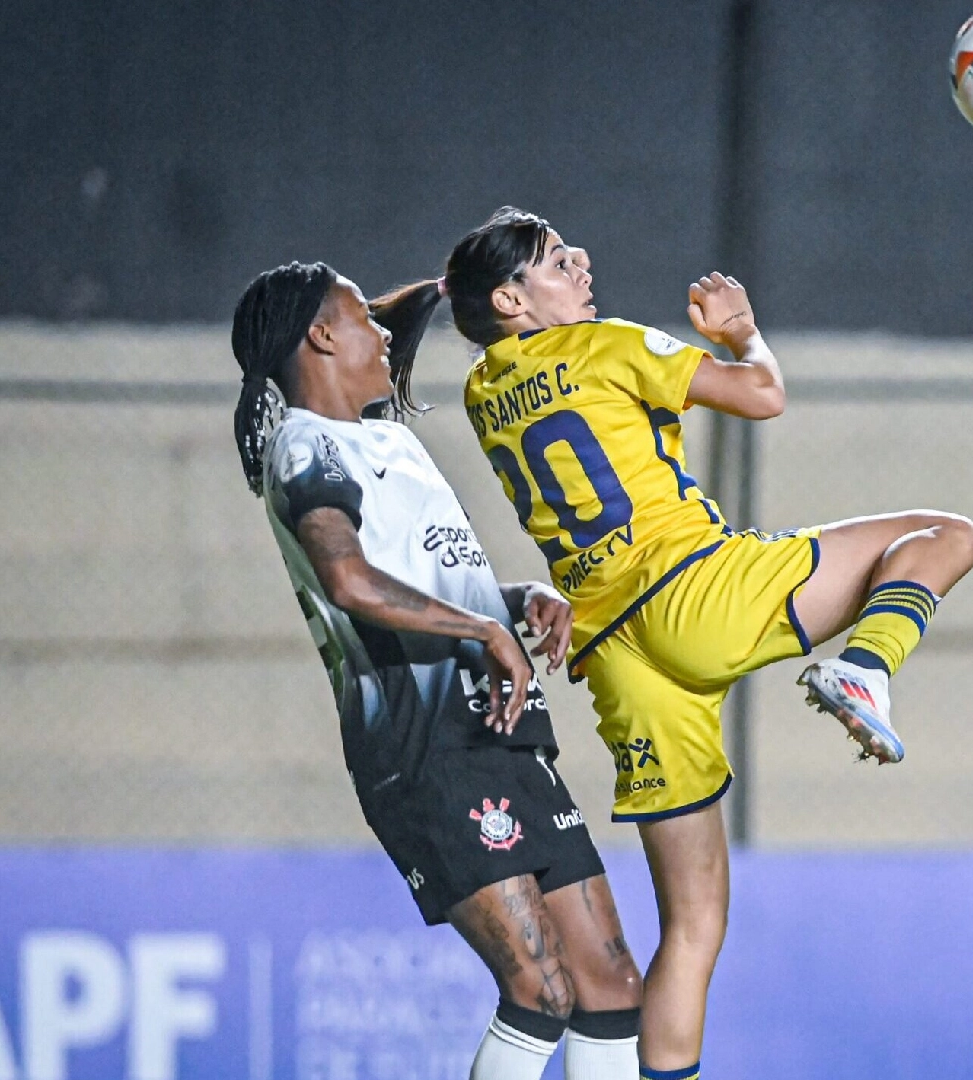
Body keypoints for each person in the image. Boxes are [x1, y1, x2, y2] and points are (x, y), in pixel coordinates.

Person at [398, 207, 973, 1080]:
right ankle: (864, 669)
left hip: (620, 661)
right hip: (694, 592)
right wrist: (746, 336)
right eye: (557, 259)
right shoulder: (606, 345)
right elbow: (762, 397)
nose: (581, 261)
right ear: (513, 297)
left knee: (693, 927)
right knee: (945, 535)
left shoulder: (486, 392)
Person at [232, 261, 645, 1080]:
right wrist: (481, 633)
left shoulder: (385, 438)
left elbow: (425, 575)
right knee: (539, 993)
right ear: (319, 336)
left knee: (611, 987)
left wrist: (509, 601)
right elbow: (348, 579)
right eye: (359, 319)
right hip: (429, 753)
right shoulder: (307, 446)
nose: (382, 335)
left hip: (496, 731)